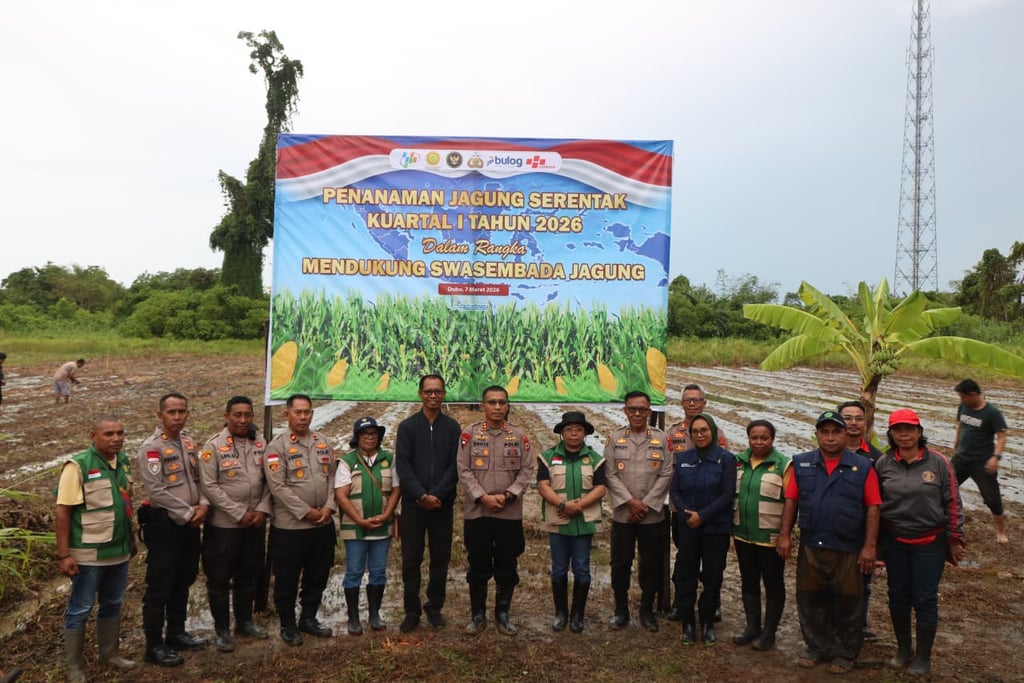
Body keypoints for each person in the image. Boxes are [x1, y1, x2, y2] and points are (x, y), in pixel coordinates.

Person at [778, 410, 881, 675]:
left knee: (849, 602)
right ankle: (816, 647)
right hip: (812, 544)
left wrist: (869, 546)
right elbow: (791, 500)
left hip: (847, 547)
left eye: (836, 431)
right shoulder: (802, 463)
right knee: (811, 599)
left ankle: (844, 653)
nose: (831, 437)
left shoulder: (863, 466)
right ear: (817, 435)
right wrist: (785, 534)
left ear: (846, 434)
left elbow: (873, 507)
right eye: (825, 432)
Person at [876, 408, 965, 677]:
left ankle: (923, 656)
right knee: (898, 595)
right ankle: (903, 649)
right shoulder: (883, 463)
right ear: (891, 434)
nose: (904, 434)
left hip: (930, 543)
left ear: (919, 431)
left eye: (909, 428)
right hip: (895, 541)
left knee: (925, 598)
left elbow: (953, 502)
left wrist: (955, 538)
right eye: (898, 429)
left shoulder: (938, 463)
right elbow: (875, 505)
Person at [55, 416, 137, 683]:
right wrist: (64, 554)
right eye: (109, 434)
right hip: (89, 554)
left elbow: (125, 505)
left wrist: (132, 542)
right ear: (93, 436)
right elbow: (63, 511)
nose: (116, 439)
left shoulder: (122, 462)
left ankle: (110, 653)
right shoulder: (78, 466)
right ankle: (74, 667)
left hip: (119, 551)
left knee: (113, 603)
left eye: (120, 433)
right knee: (80, 607)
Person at [136, 393, 208, 666]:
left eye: (182, 412)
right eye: (172, 412)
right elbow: (156, 491)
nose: (177, 417)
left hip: (191, 524)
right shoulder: (151, 448)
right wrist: (189, 512)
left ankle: (176, 633)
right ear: (160, 416)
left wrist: (202, 505)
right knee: (160, 586)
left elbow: (198, 478)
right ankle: (154, 646)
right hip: (166, 524)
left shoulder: (188, 442)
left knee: (184, 579)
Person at [457, 385, 535, 636]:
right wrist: (482, 497)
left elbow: (526, 470)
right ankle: (477, 615)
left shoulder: (519, 436)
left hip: (508, 513)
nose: (498, 407)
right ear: (483, 406)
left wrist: (509, 494)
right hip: (478, 513)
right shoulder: (469, 435)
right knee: (477, 564)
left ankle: (502, 614)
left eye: (502, 402)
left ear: (508, 405)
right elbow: (463, 469)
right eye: (492, 402)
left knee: (507, 565)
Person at [198, 396, 272, 652]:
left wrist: (262, 509)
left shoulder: (261, 443)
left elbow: (269, 482)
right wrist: (238, 512)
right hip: (224, 526)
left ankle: (244, 622)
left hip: (254, 524)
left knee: (248, 576)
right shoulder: (213, 446)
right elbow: (209, 486)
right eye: (237, 415)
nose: (243, 420)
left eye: (247, 415)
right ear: (227, 416)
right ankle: (221, 630)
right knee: (219, 579)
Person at [264, 394, 337, 645]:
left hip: (323, 524)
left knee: (317, 575)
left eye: (307, 412)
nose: (303, 417)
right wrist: (307, 512)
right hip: (291, 527)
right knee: (286, 578)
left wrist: (328, 507)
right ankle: (288, 625)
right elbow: (278, 487)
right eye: (298, 412)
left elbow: (331, 479)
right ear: (287, 414)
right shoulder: (277, 447)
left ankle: (308, 618)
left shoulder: (322, 441)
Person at [395, 374, 461, 633]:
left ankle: (434, 607)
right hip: (414, 505)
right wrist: (421, 495)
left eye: (438, 391)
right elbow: (404, 465)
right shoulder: (408, 427)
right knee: (411, 559)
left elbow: (456, 466)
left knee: (440, 558)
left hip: (442, 506)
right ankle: (411, 611)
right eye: (428, 392)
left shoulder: (453, 428)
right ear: (420, 394)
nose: (433, 396)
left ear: (444, 394)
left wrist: (438, 495)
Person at [603, 390, 673, 632]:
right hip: (624, 514)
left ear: (649, 411)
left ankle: (646, 609)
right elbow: (609, 474)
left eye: (642, 409)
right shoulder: (614, 439)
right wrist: (630, 503)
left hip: (652, 515)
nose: (637, 413)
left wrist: (646, 504)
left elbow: (666, 473)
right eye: (632, 408)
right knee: (620, 563)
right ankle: (620, 610)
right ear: (625, 410)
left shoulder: (662, 439)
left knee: (650, 564)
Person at [537, 411, 607, 633]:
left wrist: (579, 506)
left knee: (582, 569)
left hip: (583, 522)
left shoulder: (596, 459)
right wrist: (562, 504)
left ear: (585, 433)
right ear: (561, 433)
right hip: (558, 520)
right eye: (569, 429)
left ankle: (577, 615)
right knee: (558, 569)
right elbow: (543, 485)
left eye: (578, 429)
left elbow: (601, 488)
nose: (574, 433)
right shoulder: (547, 457)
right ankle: (561, 613)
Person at [670, 414, 736, 645]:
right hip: (688, 527)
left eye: (704, 430)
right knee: (685, 576)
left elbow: (727, 495)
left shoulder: (726, 459)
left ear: (713, 432)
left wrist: (703, 516)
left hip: (715, 529)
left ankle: (707, 622)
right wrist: (688, 513)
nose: (699, 435)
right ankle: (687, 623)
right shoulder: (684, 457)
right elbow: (675, 491)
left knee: (712, 576)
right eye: (695, 431)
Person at [666, 383, 728, 622]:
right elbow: (667, 470)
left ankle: (713, 603)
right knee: (685, 557)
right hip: (681, 507)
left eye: (696, 400)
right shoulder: (673, 433)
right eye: (687, 400)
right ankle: (680, 603)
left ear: (704, 403)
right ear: (681, 404)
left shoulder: (717, 432)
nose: (692, 404)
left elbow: (722, 469)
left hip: (710, 510)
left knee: (713, 562)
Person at [335, 417, 401, 635]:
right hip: (355, 528)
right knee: (353, 572)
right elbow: (341, 496)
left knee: (378, 572)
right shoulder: (347, 461)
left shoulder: (388, 459)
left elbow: (396, 490)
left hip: (382, 527)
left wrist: (387, 515)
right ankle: (353, 617)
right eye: (365, 434)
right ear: (357, 438)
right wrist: (360, 520)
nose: (370, 438)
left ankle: (374, 613)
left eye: (374, 434)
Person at [732, 419, 791, 651]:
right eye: (754, 437)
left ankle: (769, 633)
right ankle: (752, 627)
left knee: (773, 584)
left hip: (770, 538)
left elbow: (791, 502)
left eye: (763, 438)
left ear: (772, 439)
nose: (758, 442)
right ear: (748, 438)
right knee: (748, 581)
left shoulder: (783, 465)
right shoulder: (739, 462)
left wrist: (785, 534)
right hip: (743, 535)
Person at [837, 400, 884, 641]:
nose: (853, 423)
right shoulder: (830, 452)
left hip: (862, 531)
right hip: (834, 530)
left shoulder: (877, 458)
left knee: (861, 584)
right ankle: (833, 626)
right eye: (847, 418)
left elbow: (881, 502)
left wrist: (874, 543)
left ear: (866, 423)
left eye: (859, 418)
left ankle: (858, 626)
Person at [952, 378, 1010, 543]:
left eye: (963, 397)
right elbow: (961, 427)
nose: (961, 400)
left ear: (974, 394)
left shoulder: (992, 413)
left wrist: (995, 457)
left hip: (982, 462)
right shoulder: (963, 407)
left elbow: (1001, 437)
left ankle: (1000, 531)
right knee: (943, 487)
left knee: (992, 498)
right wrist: (956, 447)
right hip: (961, 459)